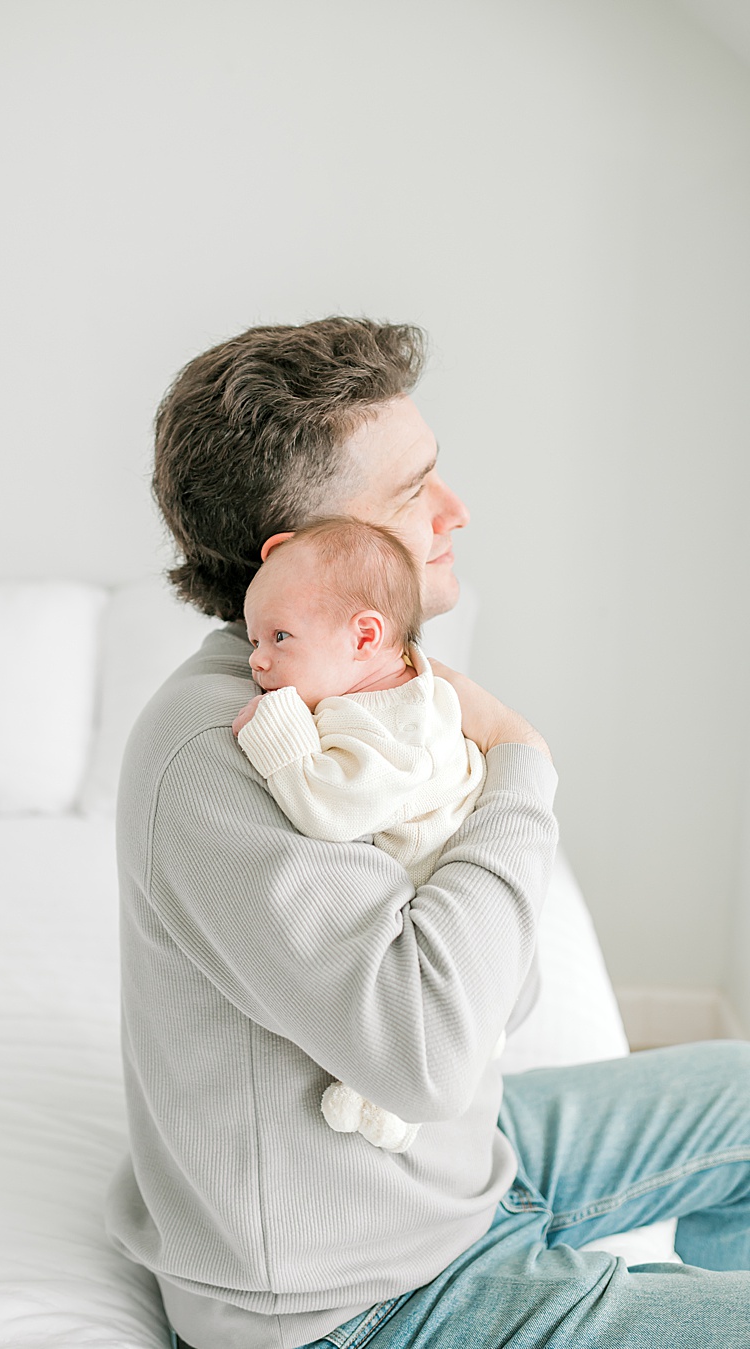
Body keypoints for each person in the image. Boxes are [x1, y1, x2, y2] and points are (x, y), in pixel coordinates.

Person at [107, 317, 750, 1349]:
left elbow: (504, 995)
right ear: (302, 558)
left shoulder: (363, 696)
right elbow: (430, 1051)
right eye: (412, 493)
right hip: (358, 1297)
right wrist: (521, 766)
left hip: (450, 1169)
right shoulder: (228, 754)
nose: (456, 510)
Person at [231, 517, 488, 1154]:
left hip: (437, 911)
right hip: (428, 898)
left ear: (364, 637)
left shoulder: (394, 726)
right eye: (253, 638)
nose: (257, 658)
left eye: (280, 637)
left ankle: (387, 1097)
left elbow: (331, 807)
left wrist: (279, 736)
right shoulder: (390, 685)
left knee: (399, 1017)